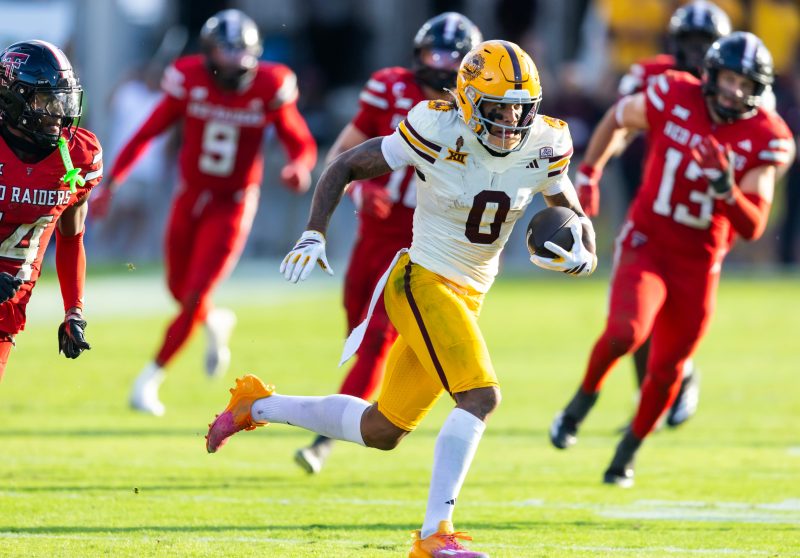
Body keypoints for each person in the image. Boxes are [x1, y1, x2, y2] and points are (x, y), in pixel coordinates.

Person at [206, 40, 597, 557]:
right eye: (497, 109)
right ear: (467, 101)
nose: (510, 122)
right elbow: (345, 165)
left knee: (382, 429)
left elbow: (566, 205)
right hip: (422, 281)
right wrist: (314, 231)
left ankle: (255, 405)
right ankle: (436, 534)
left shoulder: (546, 141)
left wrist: (583, 249)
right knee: (480, 397)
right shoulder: (436, 128)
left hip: (468, 294)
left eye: (520, 110)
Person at [550, 32, 794, 487]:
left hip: (699, 264)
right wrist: (590, 173)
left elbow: (753, 225)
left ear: (758, 90)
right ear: (712, 75)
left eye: (745, 84)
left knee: (667, 372)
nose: (733, 91)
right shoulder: (673, 92)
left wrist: (725, 188)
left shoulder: (767, 135)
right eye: (728, 78)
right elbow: (618, 117)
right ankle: (580, 403)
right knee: (625, 332)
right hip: (648, 241)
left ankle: (627, 452)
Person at [91, 9, 317, 416]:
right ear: (209, 53)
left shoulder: (270, 84)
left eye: (241, 52)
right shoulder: (188, 77)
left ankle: (149, 379)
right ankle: (214, 322)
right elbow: (148, 132)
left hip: (233, 203)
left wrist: (299, 165)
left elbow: (299, 140)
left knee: (195, 294)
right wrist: (111, 183)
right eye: (226, 52)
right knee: (177, 288)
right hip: (190, 195)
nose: (234, 62)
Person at [294, 12, 483, 476]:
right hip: (373, 233)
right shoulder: (389, 86)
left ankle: (322, 442)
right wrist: (362, 192)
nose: (441, 64)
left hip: (422, 241)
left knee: (378, 338)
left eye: (452, 56)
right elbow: (345, 152)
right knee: (357, 330)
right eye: (434, 53)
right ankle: (344, 409)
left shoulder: (478, 110)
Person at [576, 0, 732, 429]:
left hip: (705, 214)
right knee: (636, 307)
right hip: (652, 196)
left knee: (676, 311)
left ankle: (680, 374)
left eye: (706, 43)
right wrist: (595, 168)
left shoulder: (736, 86)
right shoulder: (655, 77)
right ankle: (653, 394)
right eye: (690, 41)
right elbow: (622, 124)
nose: (697, 52)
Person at [0, 40, 101, 378]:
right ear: (14, 98)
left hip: (6, 313)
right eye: (46, 100)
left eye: (62, 99)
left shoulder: (78, 157)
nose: (58, 112)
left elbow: (71, 238)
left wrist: (74, 310)